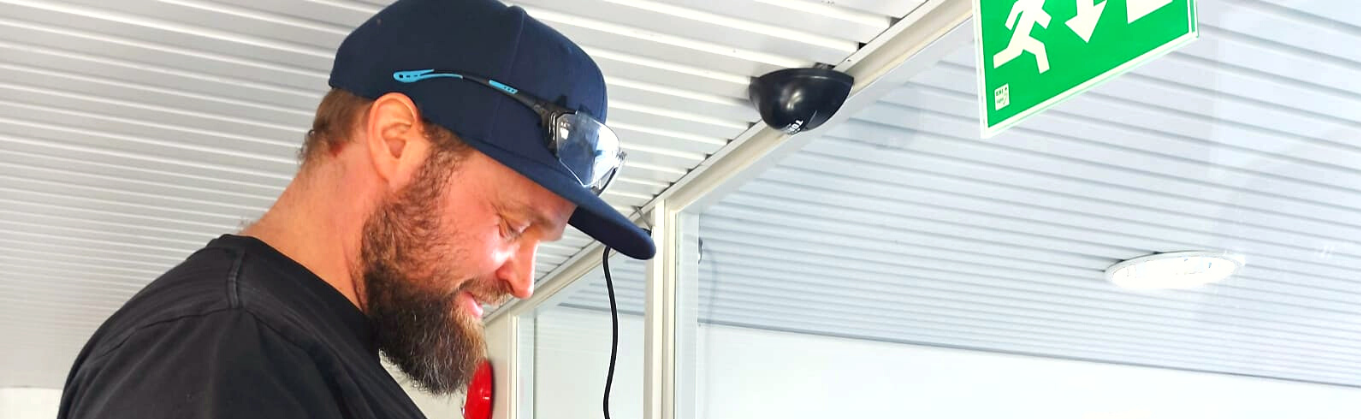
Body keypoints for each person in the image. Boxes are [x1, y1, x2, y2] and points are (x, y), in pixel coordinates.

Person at [56, 0, 655, 417]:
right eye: (512, 225)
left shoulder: (291, 354)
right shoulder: (226, 351)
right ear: (396, 141)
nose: (523, 283)